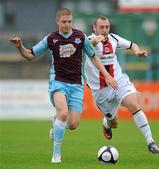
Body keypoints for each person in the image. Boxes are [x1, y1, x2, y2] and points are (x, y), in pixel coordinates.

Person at [10, 9, 118, 163]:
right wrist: (19, 46)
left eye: (69, 22)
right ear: (57, 21)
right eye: (64, 22)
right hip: (58, 82)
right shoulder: (51, 39)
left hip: (76, 85)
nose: (67, 25)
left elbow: (94, 57)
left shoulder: (80, 37)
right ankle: (56, 152)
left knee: (73, 124)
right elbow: (30, 55)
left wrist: (106, 75)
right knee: (63, 113)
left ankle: (56, 124)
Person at [84, 16, 159, 154]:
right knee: (114, 123)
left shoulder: (114, 39)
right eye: (101, 27)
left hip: (118, 81)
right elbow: (91, 45)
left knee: (134, 105)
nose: (105, 30)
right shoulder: (89, 40)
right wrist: (96, 40)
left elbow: (132, 44)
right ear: (94, 28)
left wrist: (137, 51)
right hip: (100, 90)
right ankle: (106, 123)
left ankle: (151, 142)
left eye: (107, 27)